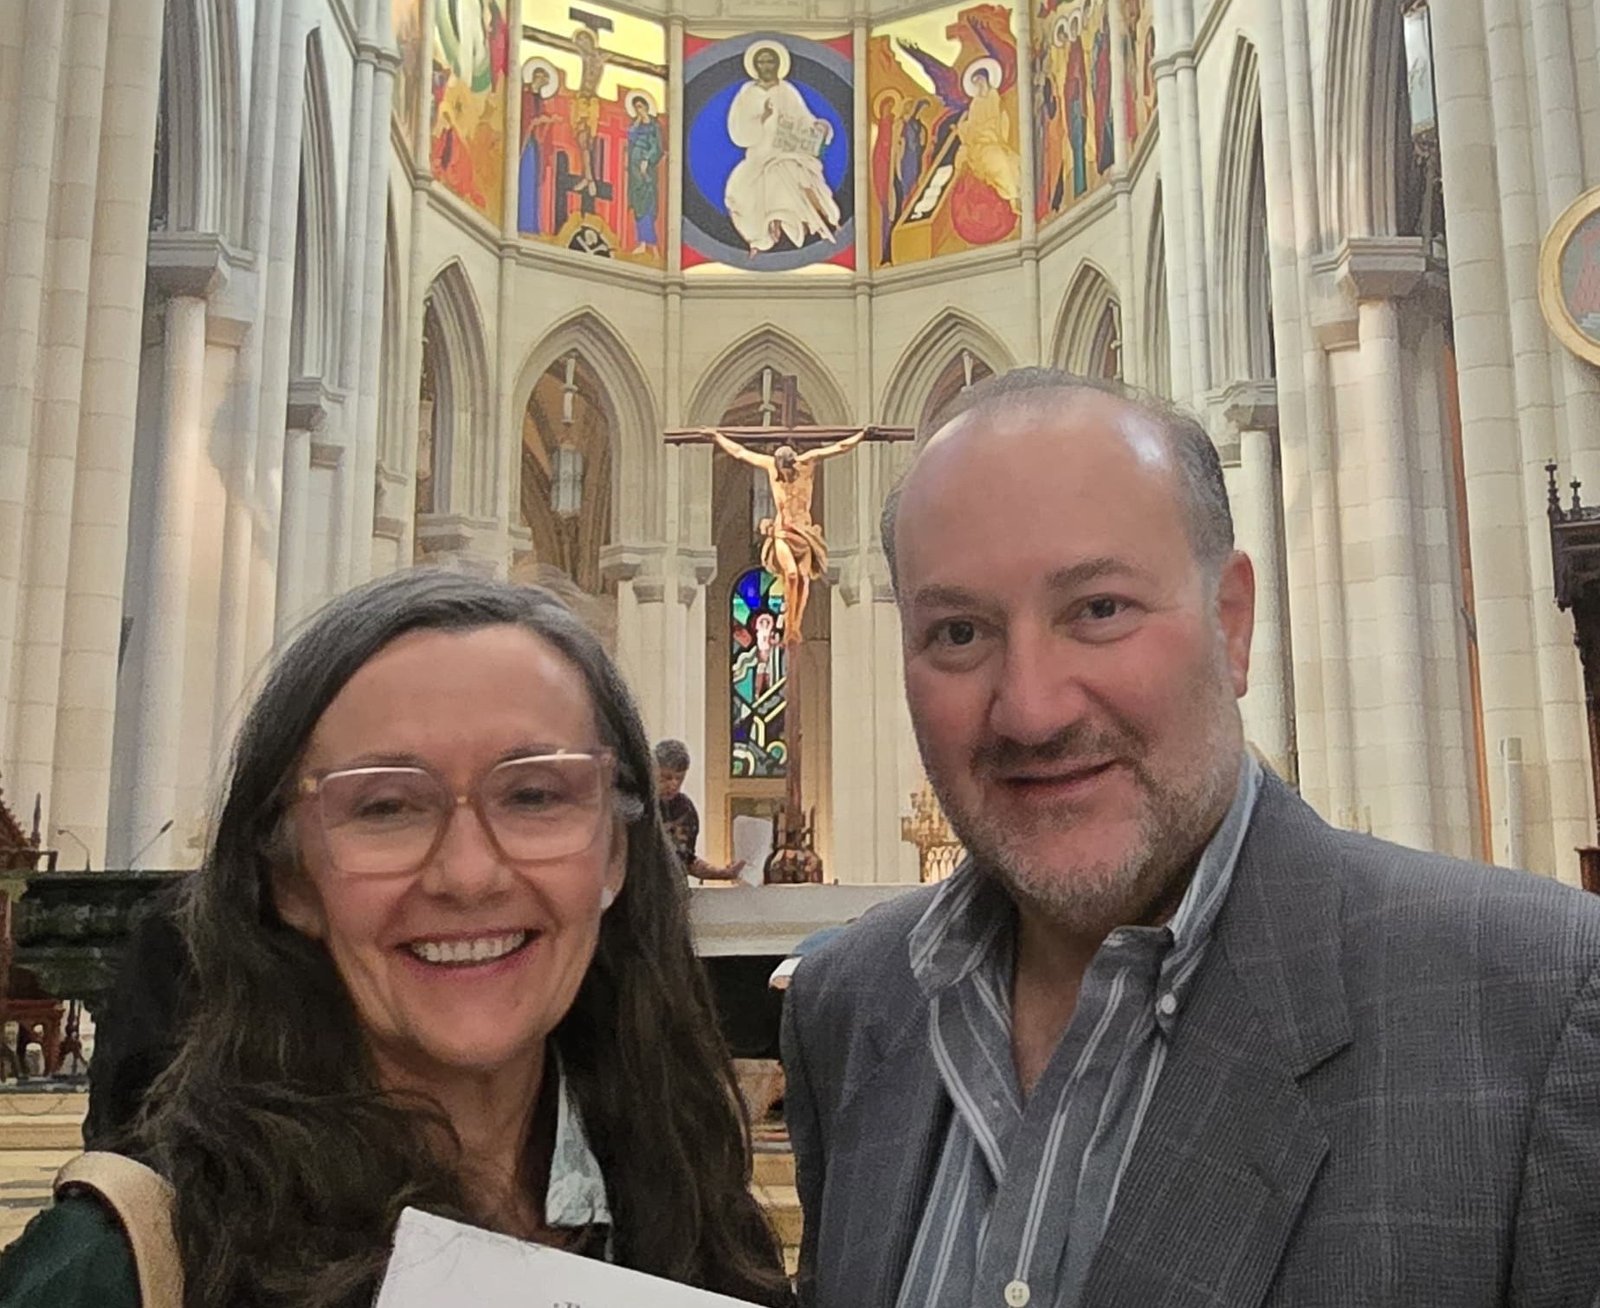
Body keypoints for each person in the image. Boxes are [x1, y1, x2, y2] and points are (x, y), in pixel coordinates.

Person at [781, 368, 1600, 1308]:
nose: (1031, 711)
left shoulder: (1534, 1012)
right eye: (959, 632)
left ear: (1231, 623)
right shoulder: (850, 1007)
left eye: (1100, 610)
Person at [2, 570, 790, 1308]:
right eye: (385, 806)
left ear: (616, 854)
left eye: (534, 795)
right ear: (289, 875)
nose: (469, 874)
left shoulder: (696, 1218)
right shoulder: (111, 1271)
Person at [710, 428, 867, 643]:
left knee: (803, 578)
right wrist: (717, 437)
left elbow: (839, 447)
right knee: (791, 574)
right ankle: (789, 625)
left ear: (793, 464)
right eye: (781, 472)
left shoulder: (807, 464)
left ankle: (795, 625)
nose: (783, 476)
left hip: (804, 534)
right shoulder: (771, 466)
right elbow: (740, 452)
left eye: (787, 471)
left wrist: (861, 436)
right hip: (783, 532)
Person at [724, 41, 841, 255]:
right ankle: (761, 238)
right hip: (759, 154)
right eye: (761, 62)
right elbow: (739, 132)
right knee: (738, 191)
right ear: (755, 66)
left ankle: (824, 223)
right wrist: (762, 117)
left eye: (770, 61)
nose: (766, 66)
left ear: (778, 64)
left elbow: (804, 119)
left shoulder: (787, 91)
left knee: (795, 177)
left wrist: (819, 128)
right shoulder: (748, 93)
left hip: (787, 152)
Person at [655, 739, 745, 883]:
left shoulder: (684, 809)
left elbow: (686, 860)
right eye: (666, 777)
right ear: (652, 771)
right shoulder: (637, 805)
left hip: (673, 889)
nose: (673, 784)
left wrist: (722, 873)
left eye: (679, 778)